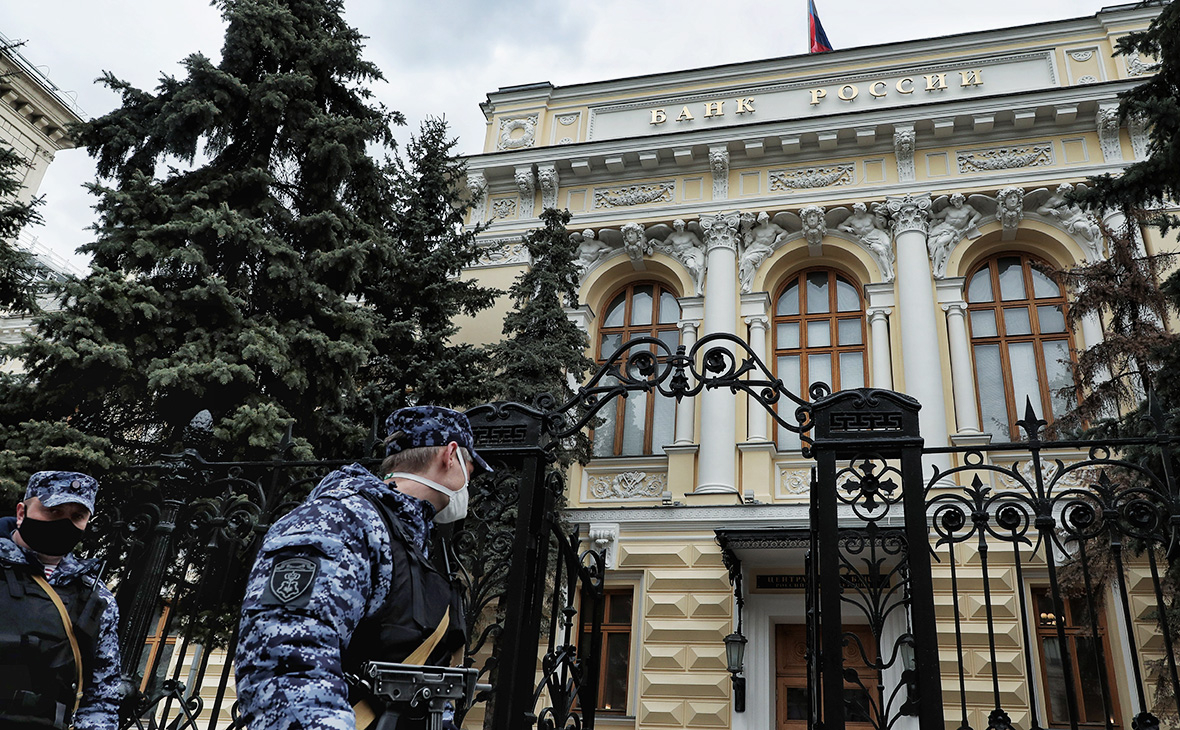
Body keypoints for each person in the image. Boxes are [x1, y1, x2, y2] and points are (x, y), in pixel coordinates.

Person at [235, 406, 493, 730]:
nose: (470, 482)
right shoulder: (341, 520)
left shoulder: (411, 542)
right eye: (471, 468)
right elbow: (286, 660)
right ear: (451, 455)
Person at [0, 471, 121, 730]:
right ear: (22, 513)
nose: (64, 524)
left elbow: (101, 697)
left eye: (76, 517)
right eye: (53, 512)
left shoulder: (97, 598)